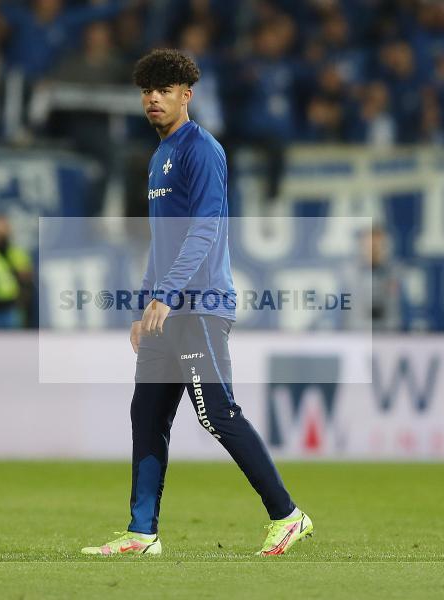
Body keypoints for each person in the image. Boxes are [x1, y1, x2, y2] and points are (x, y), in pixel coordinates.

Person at [81, 49, 312, 557]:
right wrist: (147, 303)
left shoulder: (200, 149)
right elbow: (160, 243)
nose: (153, 99)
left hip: (200, 305)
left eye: (164, 90)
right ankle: (142, 534)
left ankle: (288, 515)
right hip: (167, 309)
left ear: (187, 95)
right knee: (147, 416)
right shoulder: (158, 157)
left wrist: (168, 295)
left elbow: (208, 228)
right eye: (147, 91)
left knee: (217, 414)